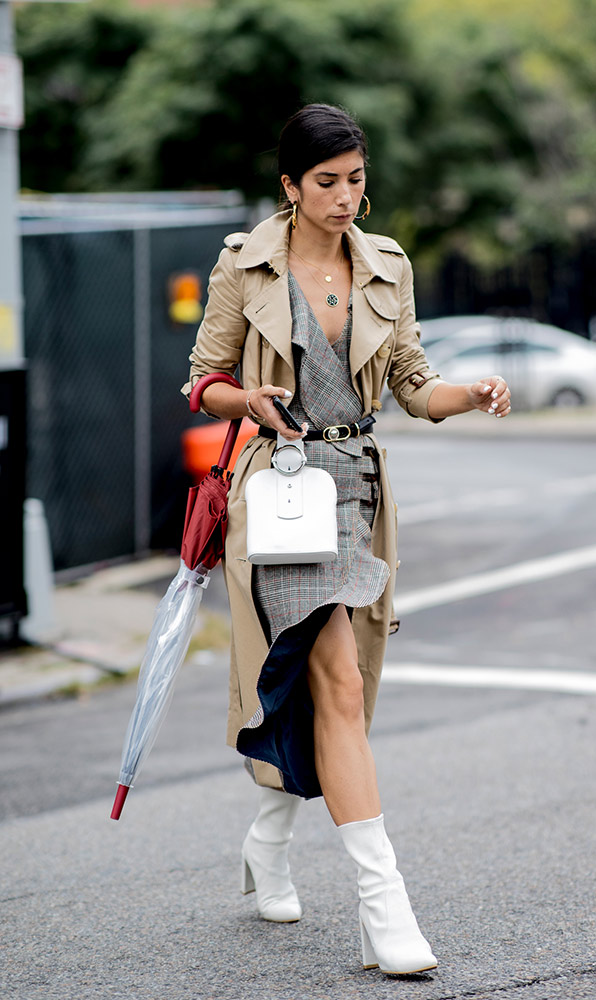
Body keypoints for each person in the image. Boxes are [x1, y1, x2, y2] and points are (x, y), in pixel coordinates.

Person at [182, 103, 511, 976]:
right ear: (289, 187)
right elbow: (202, 382)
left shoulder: (386, 265)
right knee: (329, 674)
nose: (345, 197)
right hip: (282, 495)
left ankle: (268, 838)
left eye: (356, 179)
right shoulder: (244, 265)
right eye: (326, 182)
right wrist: (246, 401)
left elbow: (412, 384)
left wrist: (467, 395)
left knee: (335, 688)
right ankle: (384, 906)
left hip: (357, 486)